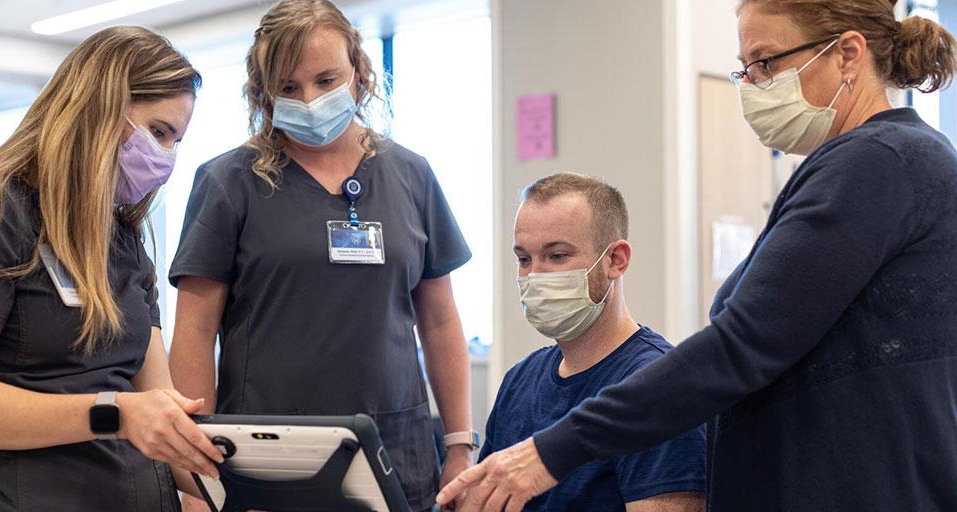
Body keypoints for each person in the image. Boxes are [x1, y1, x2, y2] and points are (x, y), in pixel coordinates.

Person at [438, 1, 957, 511]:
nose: (752, 84)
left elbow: (741, 347)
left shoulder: (877, 162)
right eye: (744, 69)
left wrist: (552, 451)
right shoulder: (864, 164)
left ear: (847, 54)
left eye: (766, 63)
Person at [167, 1, 475, 510]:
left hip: (397, 448)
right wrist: (197, 471)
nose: (309, 99)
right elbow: (195, 333)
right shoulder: (228, 183)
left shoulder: (411, 175)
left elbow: (440, 321)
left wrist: (460, 445)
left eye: (326, 79)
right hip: (266, 457)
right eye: (288, 87)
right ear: (263, 92)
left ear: (358, 70)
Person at [0, 26, 224, 511]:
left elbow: (157, 404)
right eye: (157, 132)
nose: (165, 157)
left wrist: (240, 493)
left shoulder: (123, 240)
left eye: (175, 140)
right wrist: (112, 414)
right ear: (99, 107)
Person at [478, 173, 706, 512]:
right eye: (524, 259)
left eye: (556, 256)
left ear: (616, 260)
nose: (535, 276)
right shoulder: (519, 380)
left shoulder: (660, 390)